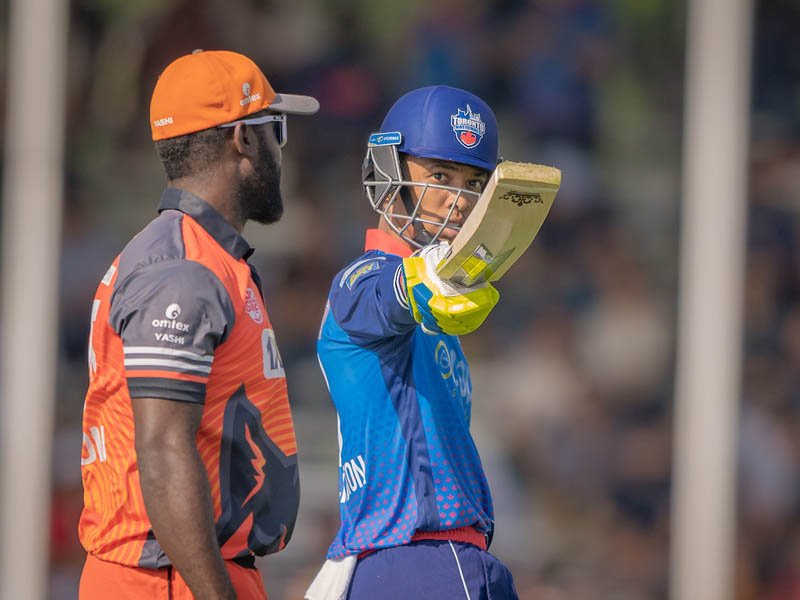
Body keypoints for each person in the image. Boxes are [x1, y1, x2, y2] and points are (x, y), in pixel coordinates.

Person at [78, 50, 319, 600]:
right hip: (167, 580)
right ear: (243, 139)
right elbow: (162, 451)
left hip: (181, 573)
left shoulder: (201, 257)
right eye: (274, 128)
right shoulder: (183, 269)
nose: (281, 149)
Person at [307, 86, 519, 599]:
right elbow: (385, 292)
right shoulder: (366, 277)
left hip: (399, 563)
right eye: (439, 176)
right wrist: (421, 282)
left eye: (474, 182)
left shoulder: (438, 302)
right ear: (387, 174)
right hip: (425, 557)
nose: (459, 198)